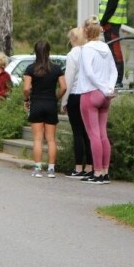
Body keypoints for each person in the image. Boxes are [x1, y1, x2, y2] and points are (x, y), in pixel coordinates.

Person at [77, 16, 119, 183]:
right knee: (103, 134)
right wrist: (108, 88)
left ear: (87, 31)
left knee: (93, 134)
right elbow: (114, 70)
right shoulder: (105, 48)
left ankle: (97, 172)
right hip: (105, 95)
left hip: (90, 92)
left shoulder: (86, 49)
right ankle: (106, 171)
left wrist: (101, 87)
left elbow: (88, 72)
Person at [23, 40, 66, 177]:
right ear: (49, 51)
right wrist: (57, 97)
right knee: (51, 139)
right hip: (51, 104)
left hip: (36, 103)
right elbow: (64, 87)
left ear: (35, 51)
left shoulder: (31, 68)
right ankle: (51, 169)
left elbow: (26, 88)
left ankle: (37, 168)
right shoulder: (56, 68)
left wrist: (26, 99)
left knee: (37, 139)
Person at [62, 27, 93, 179]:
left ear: (73, 39)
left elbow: (69, 78)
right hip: (88, 93)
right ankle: (90, 166)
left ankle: (78, 166)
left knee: (77, 132)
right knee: (88, 132)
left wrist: (64, 101)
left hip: (75, 93)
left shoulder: (72, 54)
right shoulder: (89, 52)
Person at [98, 0, 128, 87]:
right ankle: (115, 79)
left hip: (112, 22)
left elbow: (112, 4)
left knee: (114, 50)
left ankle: (118, 80)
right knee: (111, 50)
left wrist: (103, 21)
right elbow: (107, 1)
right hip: (111, 21)